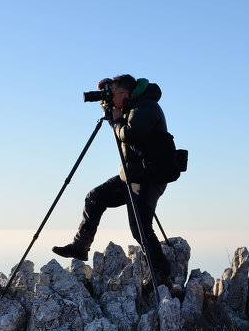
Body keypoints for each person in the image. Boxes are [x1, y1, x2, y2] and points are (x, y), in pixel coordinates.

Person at [53, 74, 178, 293]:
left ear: (126, 94)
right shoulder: (132, 107)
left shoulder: (146, 107)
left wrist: (117, 119)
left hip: (149, 178)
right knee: (95, 197)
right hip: (130, 176)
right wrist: (113, 103)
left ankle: (161, 275)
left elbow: (130, 134)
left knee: (140, 229)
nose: (110, 98)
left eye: (113, 94)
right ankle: (81, 246)